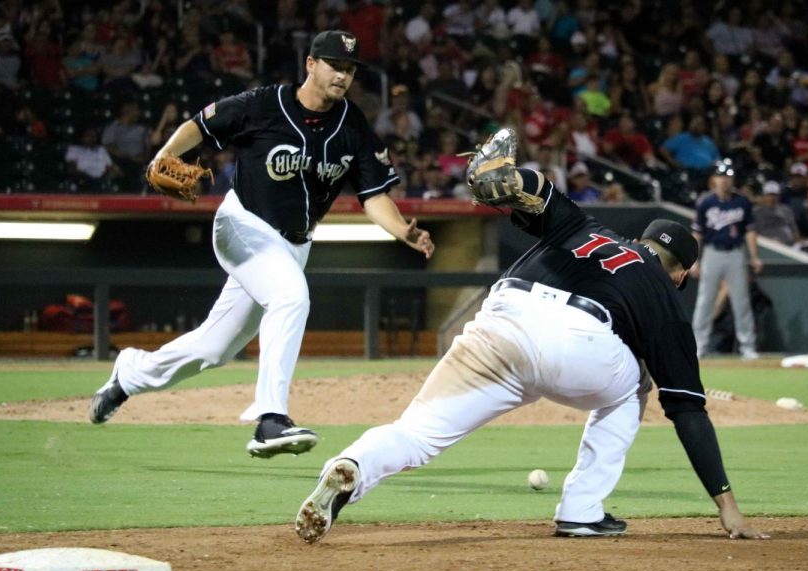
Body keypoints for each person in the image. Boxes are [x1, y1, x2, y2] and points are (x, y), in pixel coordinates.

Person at [294, 145, 768, 544]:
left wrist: (509, 175)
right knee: (636, 386)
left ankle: (353, 463)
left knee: (416, 433)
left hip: (500, 322)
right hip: (580, 344)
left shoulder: (585, 226)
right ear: (682, 272)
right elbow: (687, 410)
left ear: (639, 239)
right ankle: (581, 510)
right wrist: (726, 504)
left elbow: (536, 194)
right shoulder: (664, 292)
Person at [89, 31, 435, 460]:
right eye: (334, 65)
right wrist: (163, 155)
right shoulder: (263, 104)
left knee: (212, 350)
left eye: (348, 69)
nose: (342, 76)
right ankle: (271, 419)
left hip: (293, 247)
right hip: (243, 226)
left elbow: (374, 195)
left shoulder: (353, 124)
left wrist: (402, 230)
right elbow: (199, 124)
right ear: (310, 64)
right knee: (291, 297)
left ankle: (129, 376)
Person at [691, 160, 762, 360]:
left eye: (728, 177)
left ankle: (748, 347)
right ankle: (699, 346)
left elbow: (750, 232)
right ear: (715, 179)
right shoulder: (706, 202)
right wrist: (695, 260)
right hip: (712, 253)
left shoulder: (742, 202)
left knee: (741, 301)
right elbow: (698, 234)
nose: (725, 180)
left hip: (735, 253)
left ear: (732, 179)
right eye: (722, 176)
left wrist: (754, 256)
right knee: (705, 300)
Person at [753, 181, 798, 246]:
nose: (771, 198)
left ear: (779, 196)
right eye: (769, 195)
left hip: (787, 247)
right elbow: (752, 233)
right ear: (764, 195)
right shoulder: (756, 212)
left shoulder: (786, 210)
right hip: (764, 246)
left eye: (774, 195)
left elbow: (795, 232)